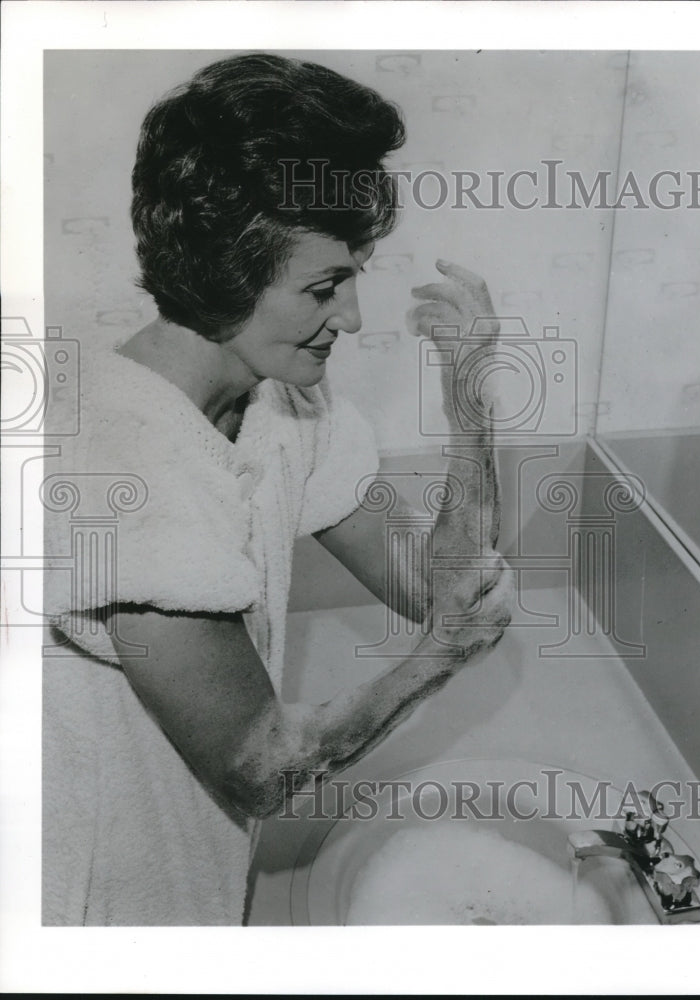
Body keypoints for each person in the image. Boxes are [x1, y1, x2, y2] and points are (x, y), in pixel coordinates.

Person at [42, 53, 514, 926]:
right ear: (228, 271)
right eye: (325, 287)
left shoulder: (287, 401)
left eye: (355, 277)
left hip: (200, 859)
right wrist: (441, 655)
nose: (354, 318)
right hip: (85, 899)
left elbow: (436, 587)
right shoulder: (119, 469)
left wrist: (469, 396)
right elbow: (259, 767)